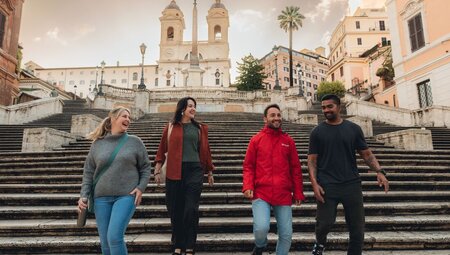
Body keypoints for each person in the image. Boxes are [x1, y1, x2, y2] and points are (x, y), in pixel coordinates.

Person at [308, 94, 390, 255]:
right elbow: (312, 161)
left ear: (339, 107)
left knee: (357, 227)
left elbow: (367, 154)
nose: (326, 110)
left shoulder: (353, 129)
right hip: (327, 185)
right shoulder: (317, 132)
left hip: (351, 184)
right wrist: (314, 184)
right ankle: (319, 244)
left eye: (329, 106)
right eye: (323, 107)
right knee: (324, 223)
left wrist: (379, 171)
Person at [77, 106, 151, 255]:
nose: (128, 120)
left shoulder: (135, 142)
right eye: (124, 116)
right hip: (100, 198)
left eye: (129, 117)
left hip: (126, 196)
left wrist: (141, 188)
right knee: (105, 242)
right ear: (113, 118)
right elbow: (89, 172)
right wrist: (83, 195)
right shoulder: (97, 144)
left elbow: (145, 167)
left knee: (114, 237)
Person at [154, 96, 215, 255]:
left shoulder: (200, 128)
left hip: (194, 170)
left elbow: (206, 150)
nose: (193, 109)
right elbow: (162, 148)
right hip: (174, 170)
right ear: (182, 109)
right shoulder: (171, 127)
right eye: (190, 106)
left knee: (191, 209)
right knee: (175, 209)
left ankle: (190, 245)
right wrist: (158, 167)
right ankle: (178, 243)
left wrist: (209, 171)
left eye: (194, 106)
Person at [242, 104, 305, 255]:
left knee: (286, 234)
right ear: (265, 119)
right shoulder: (256, 140)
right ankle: (260, 245)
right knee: (261, 228)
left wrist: (298, 192)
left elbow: (295, 169)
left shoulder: (288, 141)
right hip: (261, 192)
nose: (276, 118)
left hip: (283, 193)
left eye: (278, 115)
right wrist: (248, 185)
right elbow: (248, 166)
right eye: (272, 115)